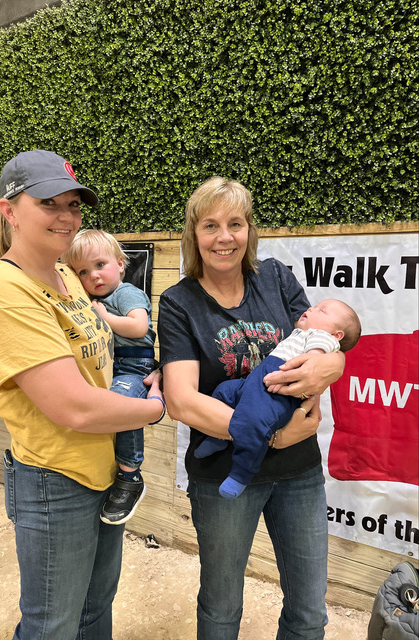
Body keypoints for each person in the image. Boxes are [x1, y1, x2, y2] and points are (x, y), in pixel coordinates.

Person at [0, 149, 165, 640]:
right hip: (55, 478)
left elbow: (106, 363)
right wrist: (158, 407)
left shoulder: (70, 279)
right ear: (9, 211)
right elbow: (73, 406)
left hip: (104, 471)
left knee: (95, 610)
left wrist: (151, 373)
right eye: (48, 203)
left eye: (73, 205)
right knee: (52, 625)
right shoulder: (2, 289)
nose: (66, 216)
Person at [158, 176, 346, 640]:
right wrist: (270, 436)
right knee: (221, 609)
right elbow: (182, 400)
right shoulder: (179, 302)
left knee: (309, 613)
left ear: (249, 230)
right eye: (210, 225)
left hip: (299, 471)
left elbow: (323, 345)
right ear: (194, 234)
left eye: (235, 224)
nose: (224, 237)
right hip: (223, 475)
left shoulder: (276, 278)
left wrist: (335, 364)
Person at [195, 299, 361, 498]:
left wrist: (316, 361)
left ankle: (241, 474)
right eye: (315, 306)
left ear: (337, 335)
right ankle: (217, 437)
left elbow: (314, 361)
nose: (311, 308)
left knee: (252, 424)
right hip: (256, 381)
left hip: (277, 392)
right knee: (224, 391)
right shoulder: (301, 333)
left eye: (322, 311)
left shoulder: (322, 338)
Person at [62, 229, 156, 525]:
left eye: (100, 265)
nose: (93, 276)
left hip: (134, 365)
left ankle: (130, 475)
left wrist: (104, 316)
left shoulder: (126, 293)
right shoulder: (91, 299)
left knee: (121, 406)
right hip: (113, 366)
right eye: (83, 272)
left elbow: (139, 327)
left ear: (120, 264)